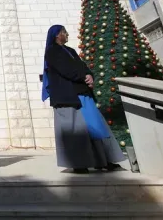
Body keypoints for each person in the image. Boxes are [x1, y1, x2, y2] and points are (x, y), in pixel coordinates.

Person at [42, 25, 125, 173]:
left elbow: (82, 66)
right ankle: (79, 164)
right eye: (63, 32)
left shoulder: (71, 51)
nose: (67, 34)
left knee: (96, 127)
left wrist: (89, 75)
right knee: (75, 131)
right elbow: (66, 70)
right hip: (67, 96)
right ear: (56, 35)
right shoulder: (52, 52)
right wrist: (82, 76)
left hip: (82, 93)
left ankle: (104, 160)